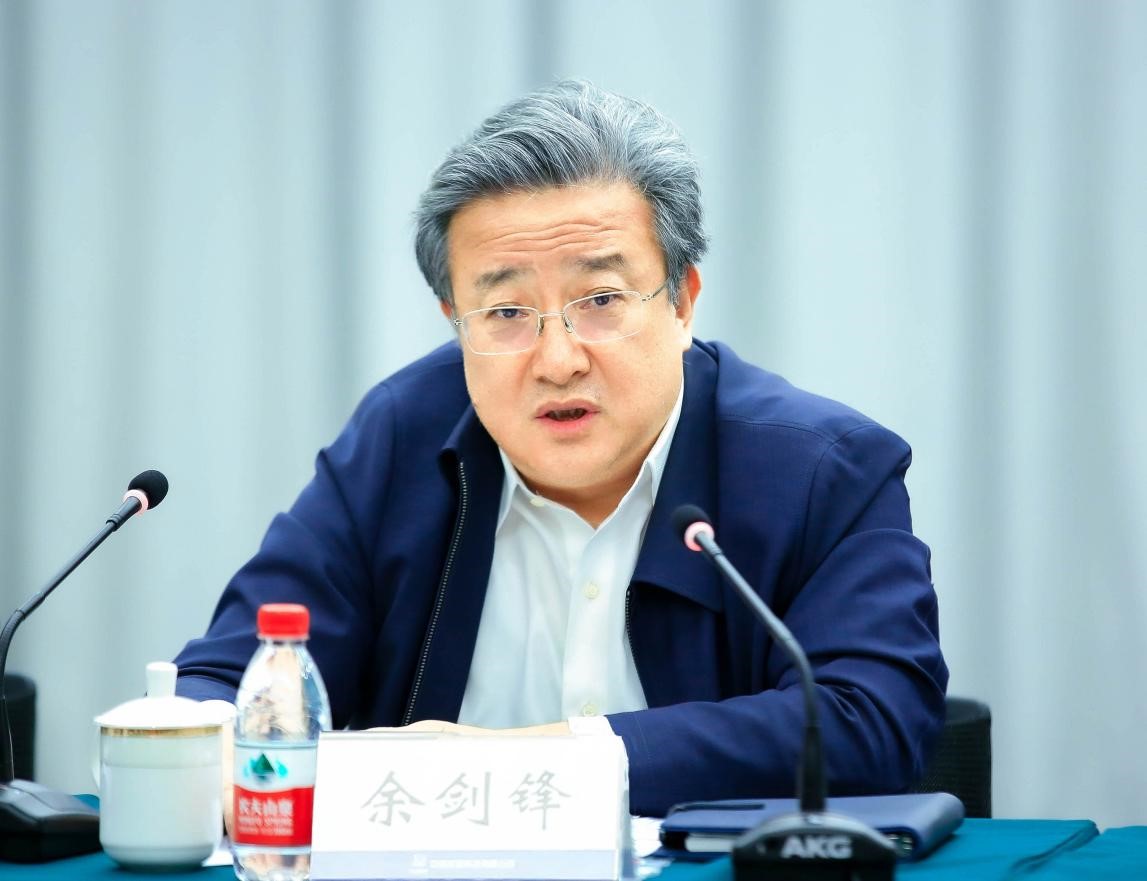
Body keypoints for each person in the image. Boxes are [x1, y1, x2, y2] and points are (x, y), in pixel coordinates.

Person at [174, 80, 948, 818]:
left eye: (600, 299)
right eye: (506, 311)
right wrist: (207, 751)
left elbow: (865, 720)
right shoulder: (401, 439)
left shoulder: (822, 470)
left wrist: (526, 762)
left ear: (682, 302)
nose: (557, 359)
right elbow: (234, 678)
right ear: (454, 320)